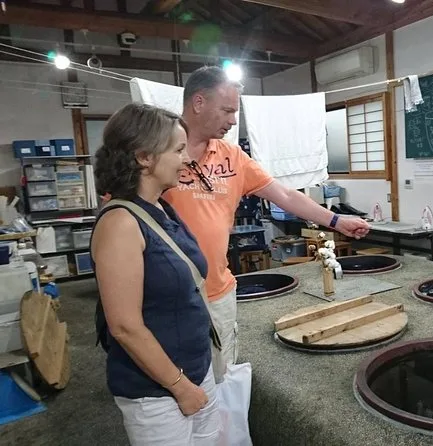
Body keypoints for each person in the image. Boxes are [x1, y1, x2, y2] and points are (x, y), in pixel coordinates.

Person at [162, 66, 371, 382]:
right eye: (227, 110)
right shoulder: (158, 150)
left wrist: (337, 220)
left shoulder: (232, 156)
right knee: (174, 379)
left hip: (218, 290)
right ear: (199, 102)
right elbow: (122, 213)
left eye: (235, 111)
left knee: (220, 375)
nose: (234, 120)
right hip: (167, 294)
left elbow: (284, 195)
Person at [91, 103, 221, 445]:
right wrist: (181, 388)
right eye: (178, 150)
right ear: (144, 158)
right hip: (159, 392)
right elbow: (124, 326)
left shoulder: (162, 208)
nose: (186, 159)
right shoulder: (120, 223)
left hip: (196, 370)